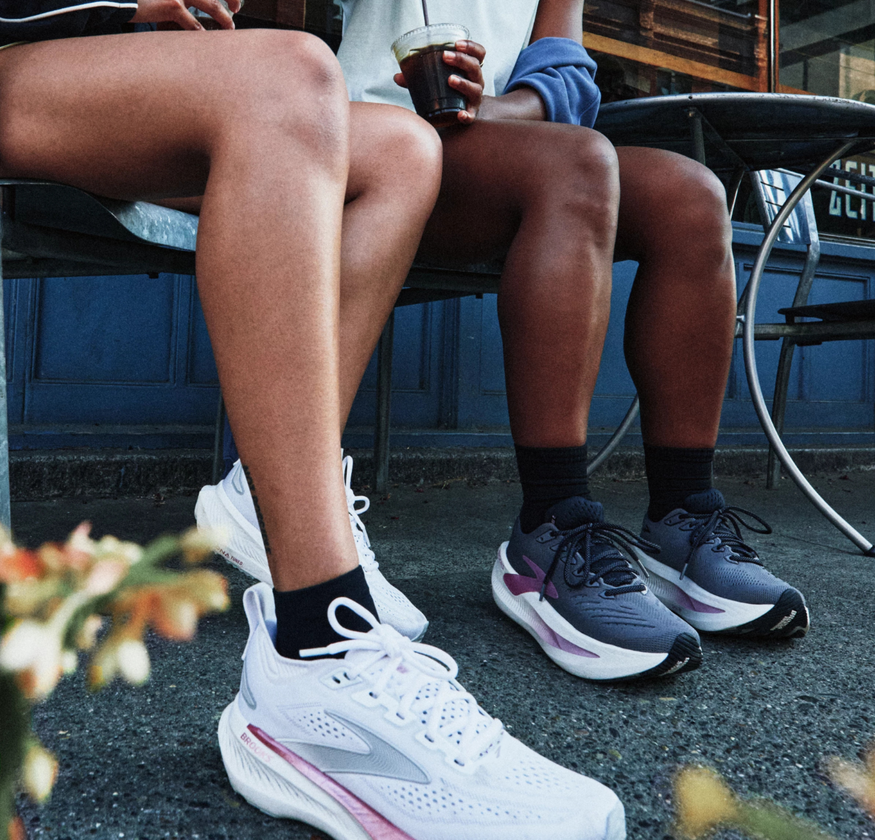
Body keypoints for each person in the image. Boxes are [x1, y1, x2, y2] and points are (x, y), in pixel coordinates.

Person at [0, 0, 626, 840]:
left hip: (89, 81)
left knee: (400, 149)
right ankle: (320, 642)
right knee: (290, 80)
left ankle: (273, 503)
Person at [202, 0, 808, 682]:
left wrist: (495, 107)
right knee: (578, 163)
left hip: (497, 144)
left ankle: (683, 519)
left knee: (692, 196)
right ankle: (551, 529)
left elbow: (565, 69)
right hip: (366, 140)